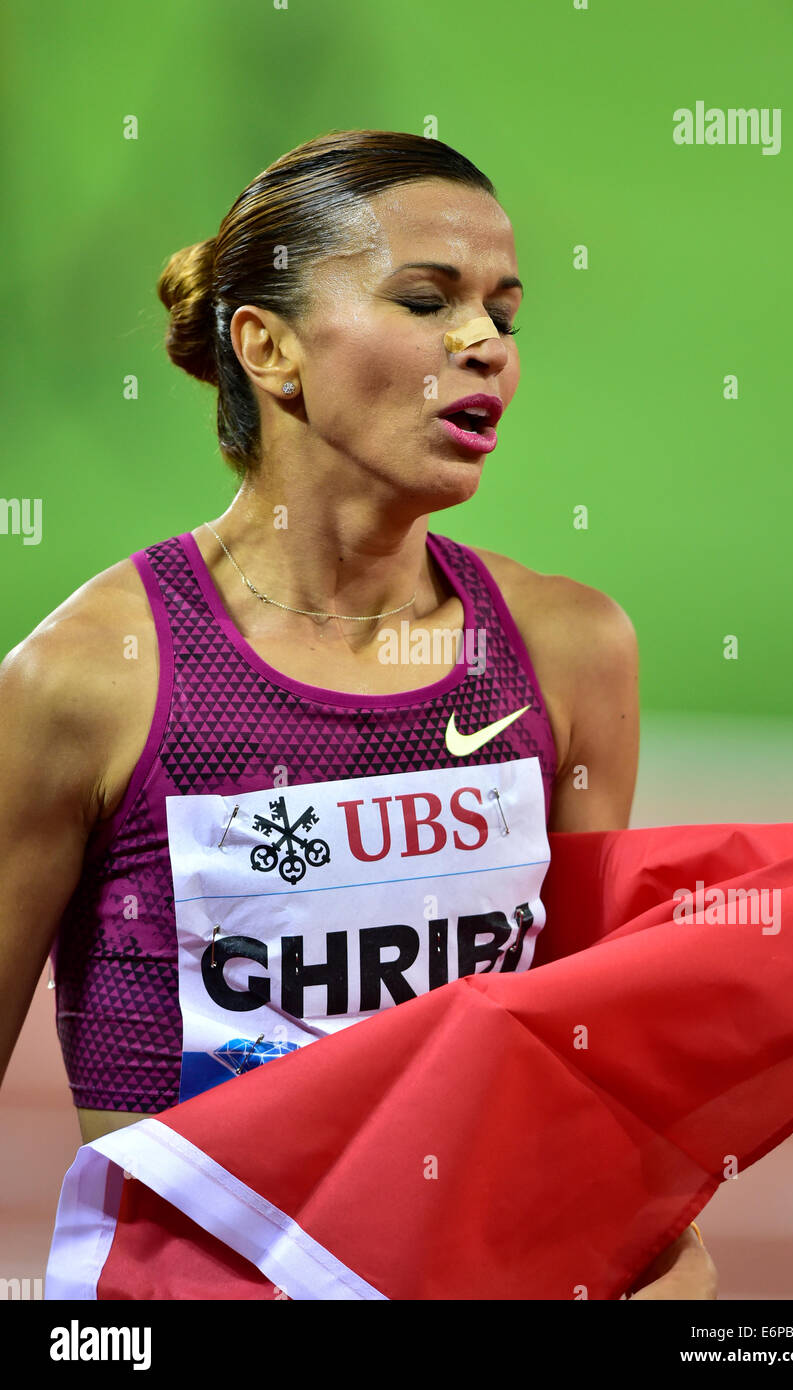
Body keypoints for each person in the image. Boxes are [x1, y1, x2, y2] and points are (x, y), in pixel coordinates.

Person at [0, 129, 715, 1299]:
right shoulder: (86, 681)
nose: (484, 344)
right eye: (427, 300)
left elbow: (588, 1066)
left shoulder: (569, 653)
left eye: (504, 311)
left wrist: (662, 1257)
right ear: (267, 346)